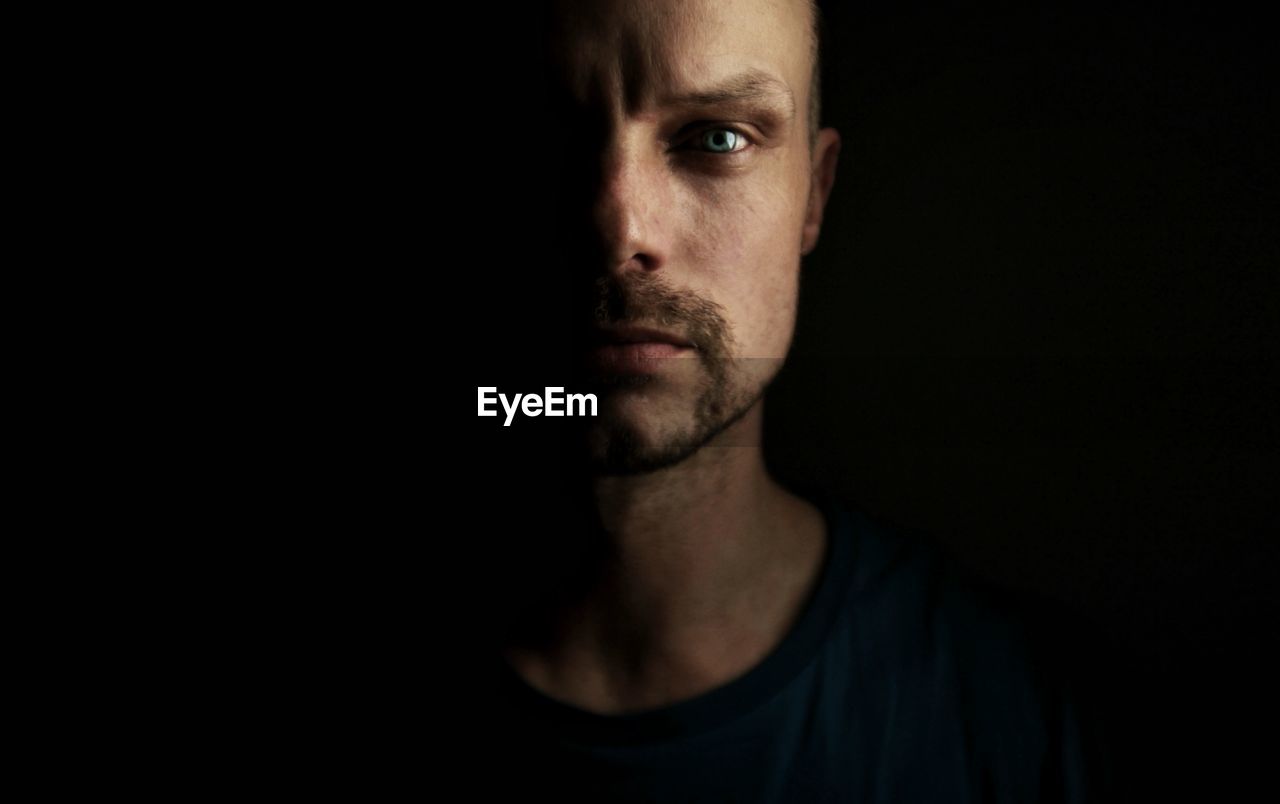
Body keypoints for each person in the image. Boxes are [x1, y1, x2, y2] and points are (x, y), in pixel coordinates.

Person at [487, 1, 1114, 800]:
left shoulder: (1021, 715)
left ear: (813, 196)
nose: (621, 226)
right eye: (552, 130)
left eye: (717, 137)